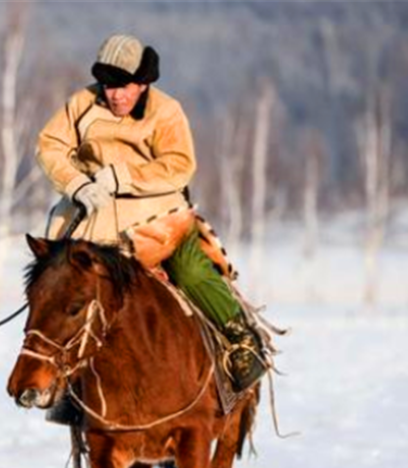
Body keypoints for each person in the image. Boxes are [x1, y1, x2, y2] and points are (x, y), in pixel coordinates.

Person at [36, 34, 267, 424]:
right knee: (56, 285)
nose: (115, 96)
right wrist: (79, 184)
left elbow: (179, 164)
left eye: (123, 86)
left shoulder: (167, 112)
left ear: (142, 83)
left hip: (155, 215)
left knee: (192, 270)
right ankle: (68, 384)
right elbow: (50, 145)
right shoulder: (81, 104)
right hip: (93, 215)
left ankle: (239, 341)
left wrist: (122, 176)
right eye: (108, 86)